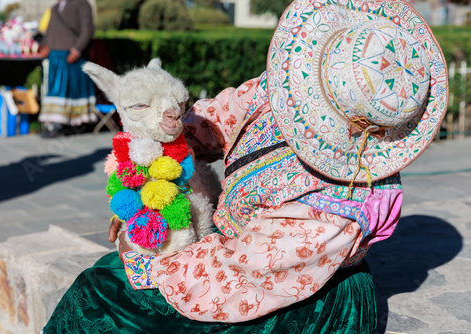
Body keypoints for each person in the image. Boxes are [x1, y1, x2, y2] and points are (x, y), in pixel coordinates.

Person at [42, 0, 448, 332]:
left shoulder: (335, 211)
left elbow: (237, 272)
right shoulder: (295, 85)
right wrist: (148, 181)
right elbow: (215, 119)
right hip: (235, 241)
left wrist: (147, 254)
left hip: (285, 287)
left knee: (102, 296)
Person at [38, 0, 97, 137]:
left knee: (71, 92)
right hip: (55, 56)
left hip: (71, 55)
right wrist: (45, 45)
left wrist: (76, 50)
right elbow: (50, 32)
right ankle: (56, 124)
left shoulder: (82, 4)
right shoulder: (55, 8)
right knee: (56, 91)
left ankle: (71, 124)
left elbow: (87, 30)